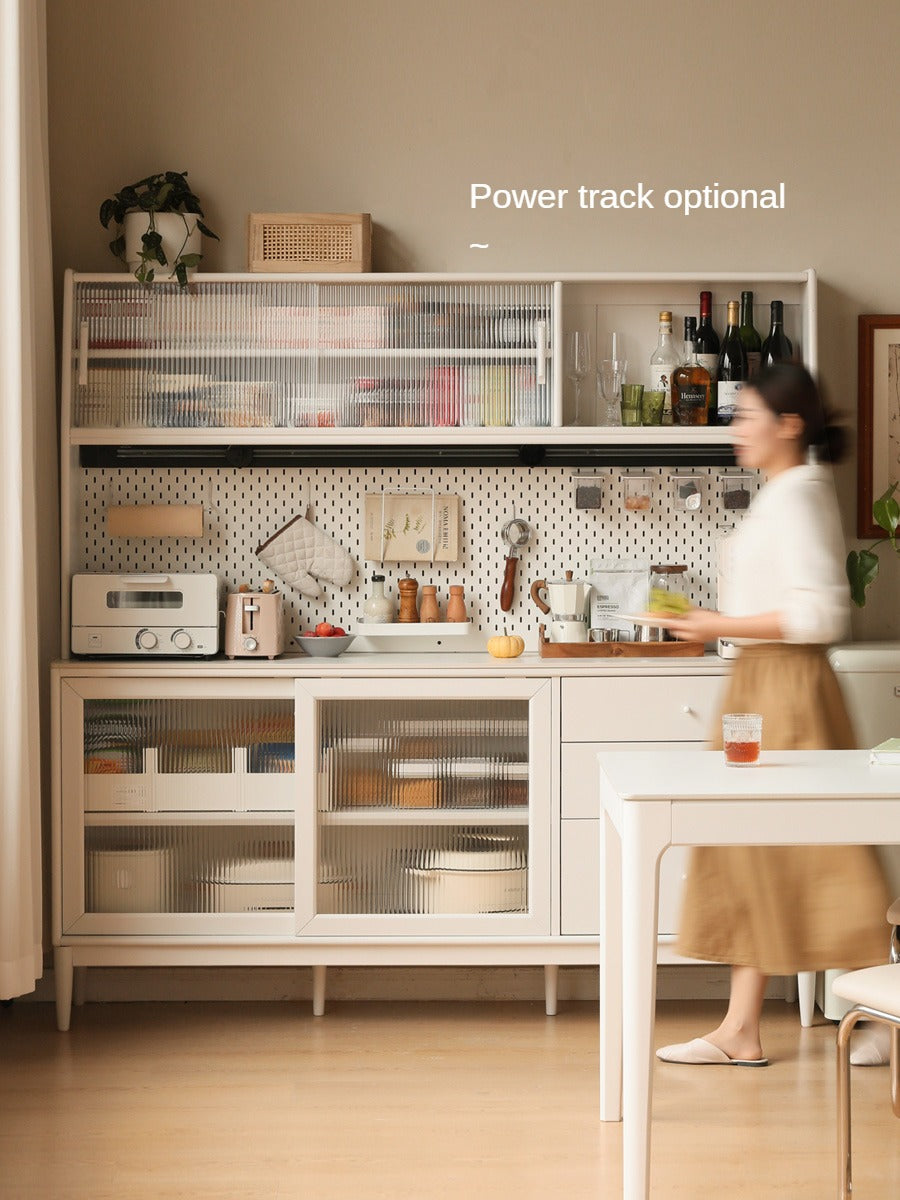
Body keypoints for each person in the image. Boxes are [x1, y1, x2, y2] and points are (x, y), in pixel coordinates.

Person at [653, 362, 890, 1067]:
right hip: (758, 683)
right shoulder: (781, 492)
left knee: (824, 853)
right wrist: (712, 627)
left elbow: (822, 613)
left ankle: (884, 1012)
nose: (738, 429)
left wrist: (713, 622)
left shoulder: (804, 493)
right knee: (746, 850)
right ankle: (741, 1029)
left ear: (790, 425)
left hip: (787, 689)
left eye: (750, 415)